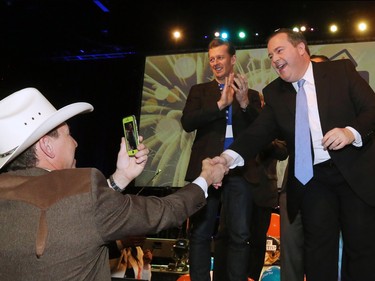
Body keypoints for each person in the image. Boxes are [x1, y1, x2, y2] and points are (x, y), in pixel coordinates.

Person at [0, 87, 229, 281]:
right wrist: (206, 178)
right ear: (47, 146)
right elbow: (165, 212)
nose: (76, 143)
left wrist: (121, 177)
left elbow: (75, 216)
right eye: (68, 135)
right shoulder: (83, 185)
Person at [215, 28, 375, 281]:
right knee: (318, 253)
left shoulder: (340, 71)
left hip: (353, 174)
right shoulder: (275, 93)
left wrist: (350, 132)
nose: (274, 59)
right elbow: (256, 134)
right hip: (314, 181)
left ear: (301, 49)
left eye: (279, 51)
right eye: (269, 56)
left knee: (360, 249)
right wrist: (225, 159)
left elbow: (371, 109)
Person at [181, 38, 262, 281]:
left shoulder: (253, 94)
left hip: (238, 171)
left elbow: (261, 129)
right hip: (206, 169)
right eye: (212, 59)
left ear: (233, 59)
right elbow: (187, 123)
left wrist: (245, 103)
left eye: (220, 57)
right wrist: (220, 105)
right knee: (201, 233)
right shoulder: (199, 91)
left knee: (239, 234)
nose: (215, 63)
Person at [279, 53, 330, 281]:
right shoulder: (291, 104)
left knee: (321, 254)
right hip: (292, 188)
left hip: (327, 190)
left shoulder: (340, 107)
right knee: (290, 255)